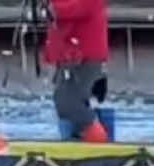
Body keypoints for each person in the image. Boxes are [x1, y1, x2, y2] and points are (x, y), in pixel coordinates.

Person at [44, 0, 110, 144]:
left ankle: (98, 141)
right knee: (69, 101)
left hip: (82, 56)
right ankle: (82, 138)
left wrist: (52, 6)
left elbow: (74, 9)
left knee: (68, 103)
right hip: (73, 54)